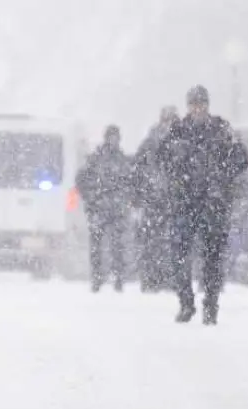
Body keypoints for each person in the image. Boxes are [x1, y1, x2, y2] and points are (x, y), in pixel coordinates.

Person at [158, 85, 248, 324]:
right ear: (188, 106)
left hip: (213, 203)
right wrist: (178, 178)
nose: (198, 109)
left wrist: (221, 177)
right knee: (179, 254)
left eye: (201, 104)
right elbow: (161, 158)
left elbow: (241, 158)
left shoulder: (221, 129)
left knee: (212, 257)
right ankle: (186, 303)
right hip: (185, 203)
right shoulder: (177, 130)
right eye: (194, 104)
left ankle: (210, 304)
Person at [76, 125, 134, 293]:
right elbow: (81, 180)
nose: (114, 140)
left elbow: (130, 183)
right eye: (111, 137)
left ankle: (118, 278)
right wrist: (90, 198)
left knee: (117, 246)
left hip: (116, 210)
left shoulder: (122, 159)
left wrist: (126, 200)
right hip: (99, 209)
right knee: (97, 247)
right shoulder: (96, 159)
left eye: (116, 137)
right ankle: (97, 277)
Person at [132, 106, 179, 292]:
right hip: (155, 200)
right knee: (154, 242)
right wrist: (137, 195)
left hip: (171, 200)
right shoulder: (150, 143)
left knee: (170, 242)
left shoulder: (181, 141)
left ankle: (165, 278)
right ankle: (152, 279)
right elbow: (136, 171)